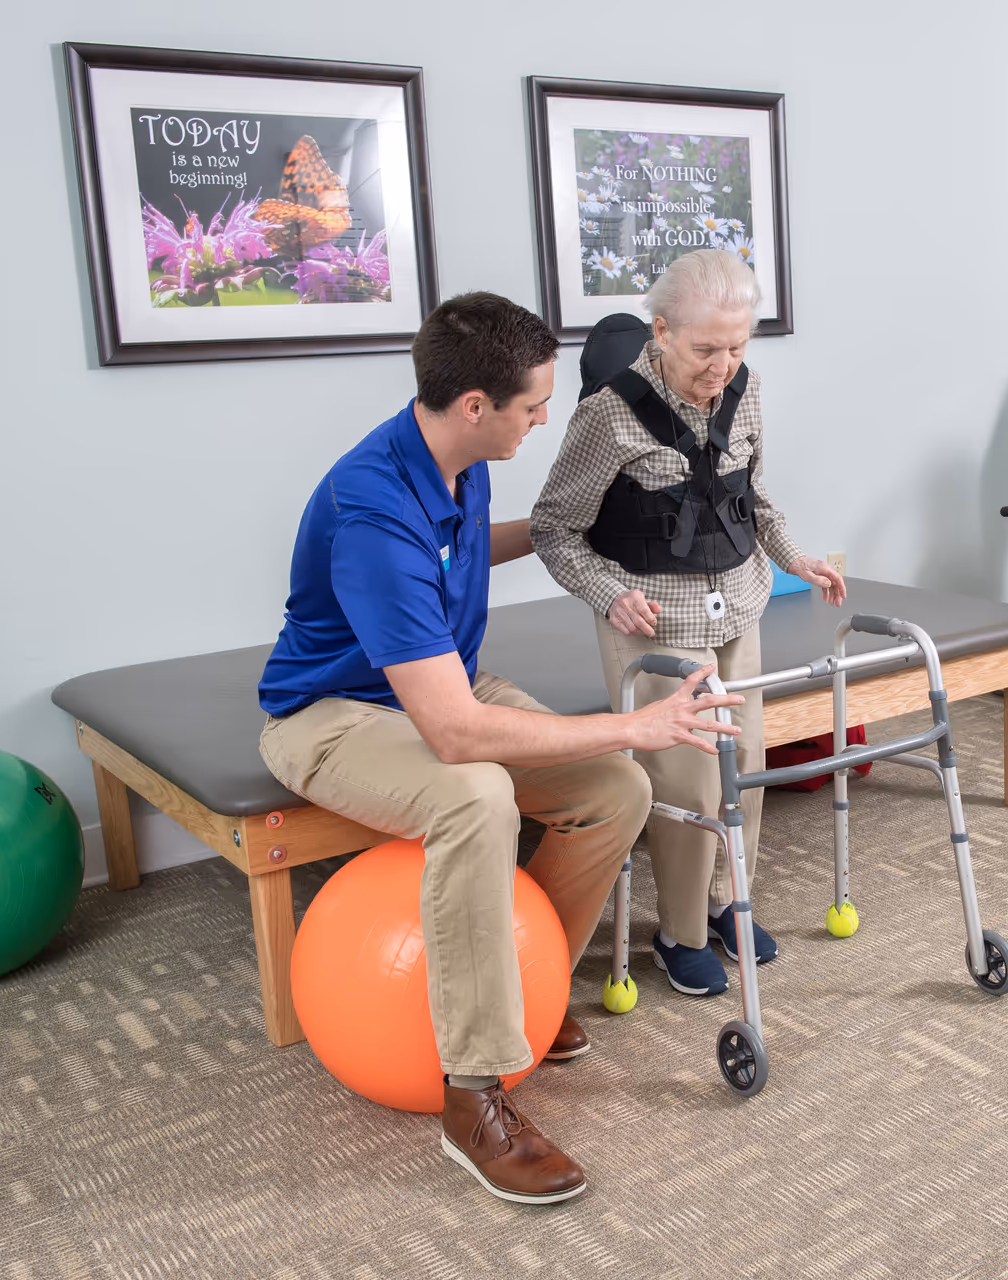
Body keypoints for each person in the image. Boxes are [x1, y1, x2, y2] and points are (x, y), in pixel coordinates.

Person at [256, 292, 744, 1206]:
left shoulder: (457, 457)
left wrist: (576, 535)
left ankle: (533, 989)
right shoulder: (371, 506)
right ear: (475, 405)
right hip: (330, 716)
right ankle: (475, 1095)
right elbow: (452, 733)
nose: (544, 418)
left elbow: (459, 550)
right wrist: (636, 721)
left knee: (614, 788)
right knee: (475, 792)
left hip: (437, 682)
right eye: (532, 406)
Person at [531, 249, 845, 998]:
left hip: (739, 603)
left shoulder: (747, 388)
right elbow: (553, 528)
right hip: (654, 619)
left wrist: (797, 558)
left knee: (752, 764)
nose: (723, 365)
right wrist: (607, 595)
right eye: (706, 349)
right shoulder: (607, 414)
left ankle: (725, 906)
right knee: (692, 782)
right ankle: (678, 932)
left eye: (738, 347)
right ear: (662, 331)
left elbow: (752, 498)